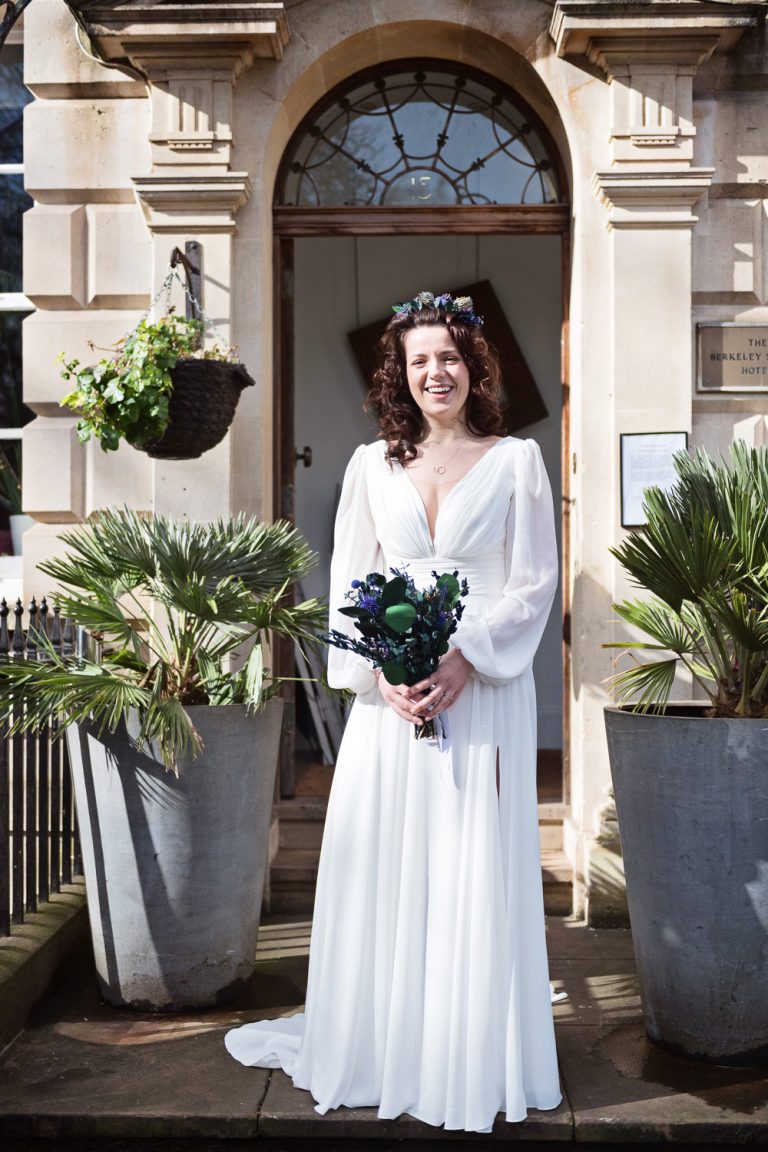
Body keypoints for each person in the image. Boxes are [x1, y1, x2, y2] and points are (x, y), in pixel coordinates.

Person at [225, 291, 561, 1133]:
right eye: (418, 361)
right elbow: (347, 585)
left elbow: (533, 586)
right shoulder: (371, 466)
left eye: (448, 357)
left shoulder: (515, 460)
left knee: (471, 862)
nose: (434, 373)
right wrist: (383, 676)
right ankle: (385, 1043)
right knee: (390, 860)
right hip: (392, 701)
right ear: (399, 376)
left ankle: (466, 1054)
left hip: (482, 692)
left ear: (473, 367)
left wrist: (464, 656)